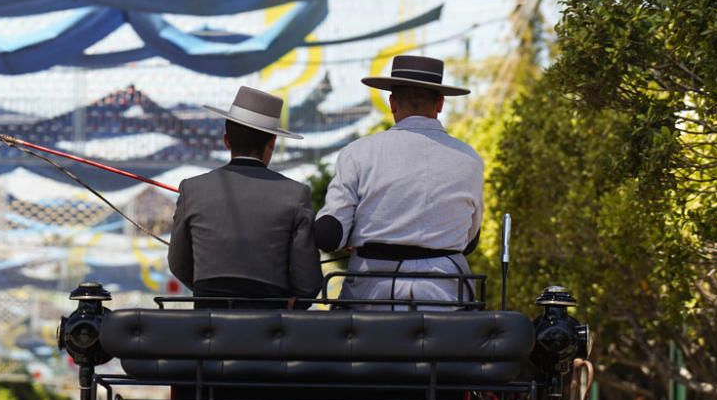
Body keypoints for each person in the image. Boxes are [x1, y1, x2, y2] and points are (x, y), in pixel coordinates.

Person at [314, 55, 483, 310]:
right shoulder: (470, 159)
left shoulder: (358, 153)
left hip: (371, 297)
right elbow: (470, 240)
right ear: (440, 104)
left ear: (392, 103)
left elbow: (329, 236)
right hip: (447, 298)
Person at [168, 86, 323, 307]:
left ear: (226, 141)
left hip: (208, 321)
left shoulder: (192, 189)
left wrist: (212, 291)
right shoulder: (295, 194)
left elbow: (178, 264)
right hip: (269, 324)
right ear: (272, 143)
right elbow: (307, 281)